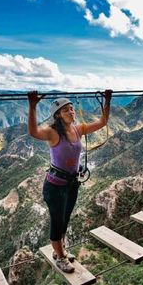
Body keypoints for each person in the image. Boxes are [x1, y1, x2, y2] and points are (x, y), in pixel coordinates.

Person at [27, 90, 112, 273]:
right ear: (58, 115)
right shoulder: (52, 133)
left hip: (72, 184)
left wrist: (107, 100)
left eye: (72, 109)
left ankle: (60, 252)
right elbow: (33, 131)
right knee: (57, 223)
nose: (71, 112)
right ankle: (60, 257)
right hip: (55, 187)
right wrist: (32, 106)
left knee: (65, 221)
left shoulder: (78, 129)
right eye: (66, 110)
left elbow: (103, 122)